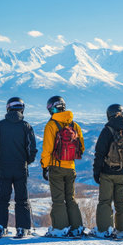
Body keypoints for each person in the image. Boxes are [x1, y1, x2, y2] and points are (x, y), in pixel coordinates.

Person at [0, 97, 38, 238]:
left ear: (8, 108)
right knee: (22, 199)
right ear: (22, 108)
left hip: (3, 167)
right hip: (20, 167)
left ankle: (0, 227)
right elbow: (32, 148)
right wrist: (27, 161)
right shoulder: (26, 126)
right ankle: (22, 228)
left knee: (2, 199)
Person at [92, 104, 123, 239]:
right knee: (121, 202)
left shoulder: (107, 131)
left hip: (107, 173)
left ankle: (104, 230)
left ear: (109, 115)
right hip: (122, 174)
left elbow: (99, 153)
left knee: (105, 202)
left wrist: (96, 172)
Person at [41, 96, 85, 237]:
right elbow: (82, 147)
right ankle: (76, 227)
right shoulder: (74, 125)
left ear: (53, 108)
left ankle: (60, 229)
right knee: (71, 198)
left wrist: (44, 165)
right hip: (71, 168)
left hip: (56, 167)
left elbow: (47, 149)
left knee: (59, 199)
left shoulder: (51, 125)